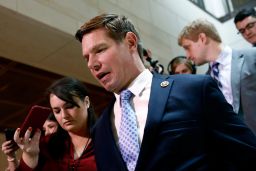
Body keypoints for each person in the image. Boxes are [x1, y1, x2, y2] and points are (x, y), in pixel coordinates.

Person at [75, 13, 256, 170]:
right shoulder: (100, 130)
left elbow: (246, 155)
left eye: (99, 50)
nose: (92, 64)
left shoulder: (193, 90)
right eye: (86, 58)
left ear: (130, 42)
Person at [178, 19, 256, 135]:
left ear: (202, 38)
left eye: (187, 47)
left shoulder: (252, 56)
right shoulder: (206, 81)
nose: (187, 56)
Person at [13, 77, 97, 171]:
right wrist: (31, 156)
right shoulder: (46, 144)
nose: (64, 115)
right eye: (57, 111)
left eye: (69, 106)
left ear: (86, 102)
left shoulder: (107, 140)